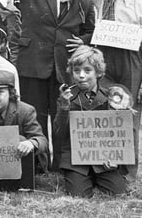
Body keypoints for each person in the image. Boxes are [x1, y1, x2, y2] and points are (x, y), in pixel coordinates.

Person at [4, 0, 95, 167]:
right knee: (33, 117)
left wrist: (84, 42)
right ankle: (36, 167)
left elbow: (91, 29)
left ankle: (63, 166)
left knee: (62, 116)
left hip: (64, 68)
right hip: (32, 65)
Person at [66, 0, 142, 178]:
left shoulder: (139, 4)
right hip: (104, 58)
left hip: (130, 59)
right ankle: (100, 164)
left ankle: (128, 170)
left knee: (127, 110)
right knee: (101, 106)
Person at [53, 46, 128, 197]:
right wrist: (64, 107)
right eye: (77, 70)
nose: (81, 75)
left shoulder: (111, 96)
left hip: (104, 158)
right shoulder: (66, 97)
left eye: (87, 70)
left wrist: (116, 158)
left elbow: (121, 134)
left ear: (98, 72)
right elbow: (59, 133)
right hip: (76, 160)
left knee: (117, 192)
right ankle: (82, 178)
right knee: (78, 194)